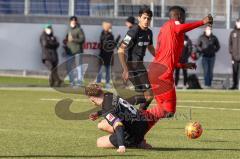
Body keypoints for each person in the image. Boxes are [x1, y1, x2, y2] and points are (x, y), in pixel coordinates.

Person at [147, 6, 213, 122]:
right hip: (163, 75)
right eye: (184, 17)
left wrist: (183, 65)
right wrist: (203, 22)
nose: (185, 20)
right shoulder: (173, 25)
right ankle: (135, 119)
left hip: (156, 72)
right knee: (168, 111)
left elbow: (165, 57)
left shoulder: (165, 30)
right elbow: (179, 28)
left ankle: (136, 130)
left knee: (163, 110)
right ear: (178, 16)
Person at [85, 84, 160, 153]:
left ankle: (135, 143)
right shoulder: (109, 95)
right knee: (101, 124)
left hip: (133, 134)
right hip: (143, 123)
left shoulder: (107, 111)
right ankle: (139, 140)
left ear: (91, 98)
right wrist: (98, 113)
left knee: (99, 142)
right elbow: (116, 108)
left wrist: (121, 146)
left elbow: (119, 125)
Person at [118, 7, 155, 110]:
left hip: (139, 66)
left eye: (149, 18)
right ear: (139, 18)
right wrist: (125, 69)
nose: (146, 20)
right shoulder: (133, 31)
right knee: (149, 95)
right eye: (144, 18)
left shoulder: (149, 33)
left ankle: (131, 114)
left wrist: (161, 58)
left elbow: (150, 47)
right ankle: (118, 106)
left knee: (143, 97)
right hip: (132, 66)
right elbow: (120, 50)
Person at [63, 16, 85, 86]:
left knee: (79, 67)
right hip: (70, 52)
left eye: (74, 20)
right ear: (70, 21)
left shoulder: (79, 29)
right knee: (69, 67)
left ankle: (79, 82)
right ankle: (72, 81)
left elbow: (82, 39)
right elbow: (67, 39)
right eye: (72, 20)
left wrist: (74, 40)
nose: (73, 22)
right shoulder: (68, 29)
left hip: (77, 51)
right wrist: (65, 41)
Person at [97, 22, 115, 89]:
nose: (110, 28)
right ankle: (98, 83)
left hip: (109, 55)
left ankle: (107, 83)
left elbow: (112, 45)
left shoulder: (111, 35)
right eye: (109, 27)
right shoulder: (103, 35)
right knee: (100, 70)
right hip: (102, 55)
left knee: (108, 70)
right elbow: (104, 43)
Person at [229, 18, 240, 90]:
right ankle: (234, 85)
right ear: (236, 23)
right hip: (235, 56)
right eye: (238, 22)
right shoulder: (233, 33)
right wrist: (231, 53)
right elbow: (230, 44)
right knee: (235, 72)